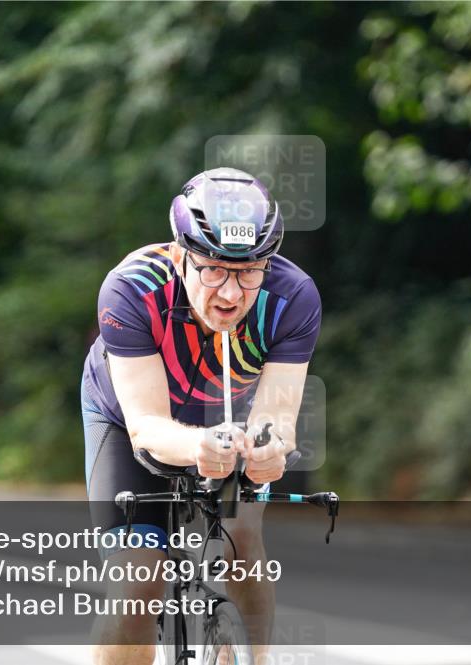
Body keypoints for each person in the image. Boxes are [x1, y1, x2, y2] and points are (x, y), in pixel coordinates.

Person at [81, 167, 321, 664]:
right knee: (137, 585)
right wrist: (197, 448)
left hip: (227, 415)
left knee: (242, 536)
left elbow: (275, 416)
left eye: (249, 271)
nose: (231, 294)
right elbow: (147, 426)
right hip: (126, 420)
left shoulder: (292, 298)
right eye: (213, 269)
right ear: (179, 256)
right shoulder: (132, 289)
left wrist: (269, 450)